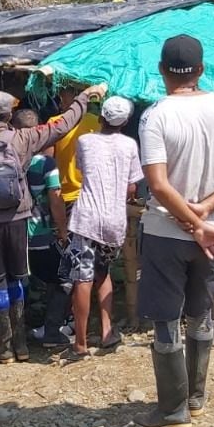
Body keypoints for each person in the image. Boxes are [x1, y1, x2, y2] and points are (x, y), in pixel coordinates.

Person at [136, 34, 214, 427]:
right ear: (201, 70)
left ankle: (173, 410)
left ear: (161, 71)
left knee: (166, 320)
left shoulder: (156, 115)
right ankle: (196, 398)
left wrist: (192, 221)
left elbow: (157, 185)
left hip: (164, 233)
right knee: (202, 312)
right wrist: (207, 214)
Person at [0, 83, 106, 363]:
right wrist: (83, 99)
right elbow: (62, 126)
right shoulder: (25, 138)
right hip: (19, 220)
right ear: (9, 117)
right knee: (17, 279)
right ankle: (22, 345)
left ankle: (2, 348)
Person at [64, 96, 143, 357]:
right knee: (104, 272)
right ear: (126, 121)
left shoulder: (85, 141)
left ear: (101, 118)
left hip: (86, 218)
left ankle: (81, 342)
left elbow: (84, 170)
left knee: (82, 278)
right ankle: (108, 332)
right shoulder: (130, 145)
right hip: (114, 220)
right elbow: (132, 186)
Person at [13, 109, 69, 348]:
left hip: (13, 233)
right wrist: (63, 231)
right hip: (40, 234)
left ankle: (17, 335)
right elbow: (55, 198)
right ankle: (52, 331)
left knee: (16, 281)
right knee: (63, 280)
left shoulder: (8, 158)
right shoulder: (46, 163)